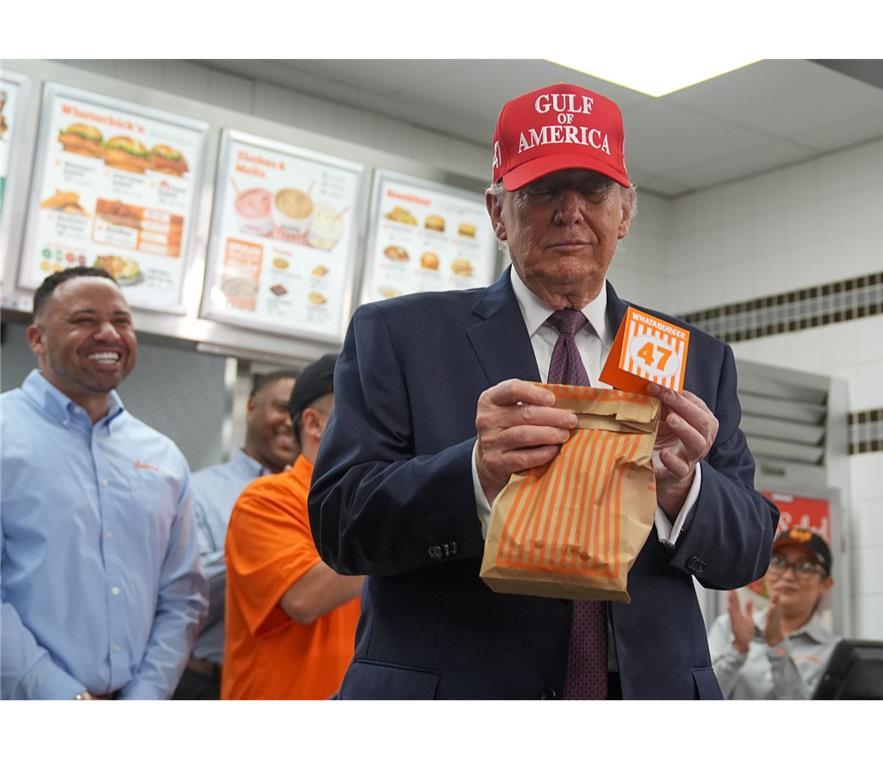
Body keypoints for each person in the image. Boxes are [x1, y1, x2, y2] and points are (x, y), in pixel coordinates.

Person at [309, 82, 779, 699]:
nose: (570, 211)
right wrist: (474, 474)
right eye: (540, 190)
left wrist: (682, 488)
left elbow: (748, 549)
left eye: (594, 190)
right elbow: (341, 523)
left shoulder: (694, 359)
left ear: (626, 211)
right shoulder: (401, 335)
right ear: (497, 212)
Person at [1, 266, 207, 700]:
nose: (109, 334)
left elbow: (183, 596)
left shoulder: (163, 457)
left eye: (122, 321)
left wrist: (144, 697)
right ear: (37, 339)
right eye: (84, 320)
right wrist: (62, 697)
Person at [221, 354, 362, 700]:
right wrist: (413, 534)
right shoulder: (265, 500)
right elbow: (303, 597)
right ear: (315, 424)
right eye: (366, 414)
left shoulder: (369, 505)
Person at [173, 370, 297, 699]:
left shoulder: (316, 501)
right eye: (282, 407)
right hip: (203, 684)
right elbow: (185, 599)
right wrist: (262, 551)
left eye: (300, 413)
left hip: (283, 685)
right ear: (251, 406)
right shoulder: (199, 491)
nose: (291, 421)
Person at [708, 528, 838, 699]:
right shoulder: (729, 627)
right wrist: (738, 650)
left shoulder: (833, 651)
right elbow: (701, 697)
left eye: (805, 566)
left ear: (826, 584)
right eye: (778, 561)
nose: (789, 575)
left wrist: (777, 645)